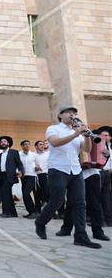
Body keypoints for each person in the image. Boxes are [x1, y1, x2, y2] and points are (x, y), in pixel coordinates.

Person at [34, 106, 100, 249]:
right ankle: (40, 222)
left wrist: (87, 135)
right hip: (58, 169)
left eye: (75, 113)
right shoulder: (53, 128)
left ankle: (81, 236)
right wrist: (75, 134)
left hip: (75, 171)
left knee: (80, 203)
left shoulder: (77, 132)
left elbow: (87, 149)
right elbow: (55, 142)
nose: (73, 115)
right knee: (57, 201)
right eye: (69, 112)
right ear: (60, 115)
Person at [0, 136, 24, 217]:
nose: (3, 143)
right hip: (2, 176)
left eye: (4, 141)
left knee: (5, 193)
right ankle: (13, 213)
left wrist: (21, 171)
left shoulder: (14, 152)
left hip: (10, 175)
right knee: (6, 193)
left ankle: (7, 212)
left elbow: (19, 163)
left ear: (8, 143)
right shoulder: (0, 155)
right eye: (1, 142)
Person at [96, 126, 112, 226]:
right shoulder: (98, 144)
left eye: (107, 135)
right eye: (103, 135)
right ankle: (103, 220)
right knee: (100, 197)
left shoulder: (109, 147)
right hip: (100, 172)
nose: (105, 137)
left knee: (105, 198)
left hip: (105, 173)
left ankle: (106, 220)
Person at [19, 140, 39, 218]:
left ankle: (34, 211)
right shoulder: (19, 154)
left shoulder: (34, 155)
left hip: (32, 175)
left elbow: (38, 164)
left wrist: (38, 167)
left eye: (28, 144)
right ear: (22, 146)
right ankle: (30, 212)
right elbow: (18, 164)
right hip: (23, 176)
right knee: (24, 194)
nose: (27, 146)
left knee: (26, 193)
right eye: (25, 144)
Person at [34, 140, 49, 208]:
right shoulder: (33, 155)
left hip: (45, 175)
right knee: (37, 193)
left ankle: (50, 210)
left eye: (43, 144)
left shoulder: (47, 154)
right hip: (36, 175)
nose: (42, 146)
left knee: (47, 192)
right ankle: (38, 210)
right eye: (40, 144)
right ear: (36, 146)